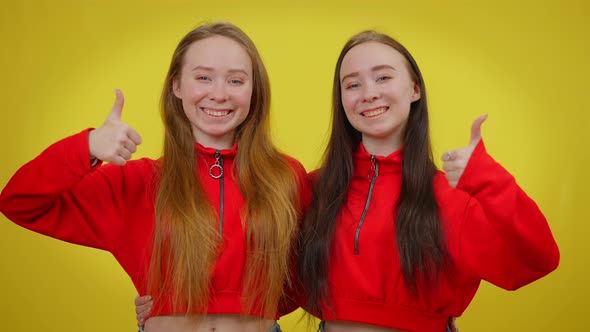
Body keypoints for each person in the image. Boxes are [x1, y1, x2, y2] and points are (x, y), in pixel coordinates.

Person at [0, 22, 309, 332]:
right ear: (177, 86)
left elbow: (314, 272)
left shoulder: (286, 177)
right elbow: (19, 201)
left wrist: (253, 302)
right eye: (203, 77)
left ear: (254, 90)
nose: (219, 94)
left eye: (236, 80)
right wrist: (88, 145)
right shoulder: (135, 182)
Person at [293, 31, 560, 332]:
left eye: (383, 78)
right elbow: (270, 278)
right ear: (341, 100)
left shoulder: (449, 197)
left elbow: (537, 260)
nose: (368, 93)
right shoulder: (314, 189)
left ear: (415, 89)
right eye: (352, 84)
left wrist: (488, 180)